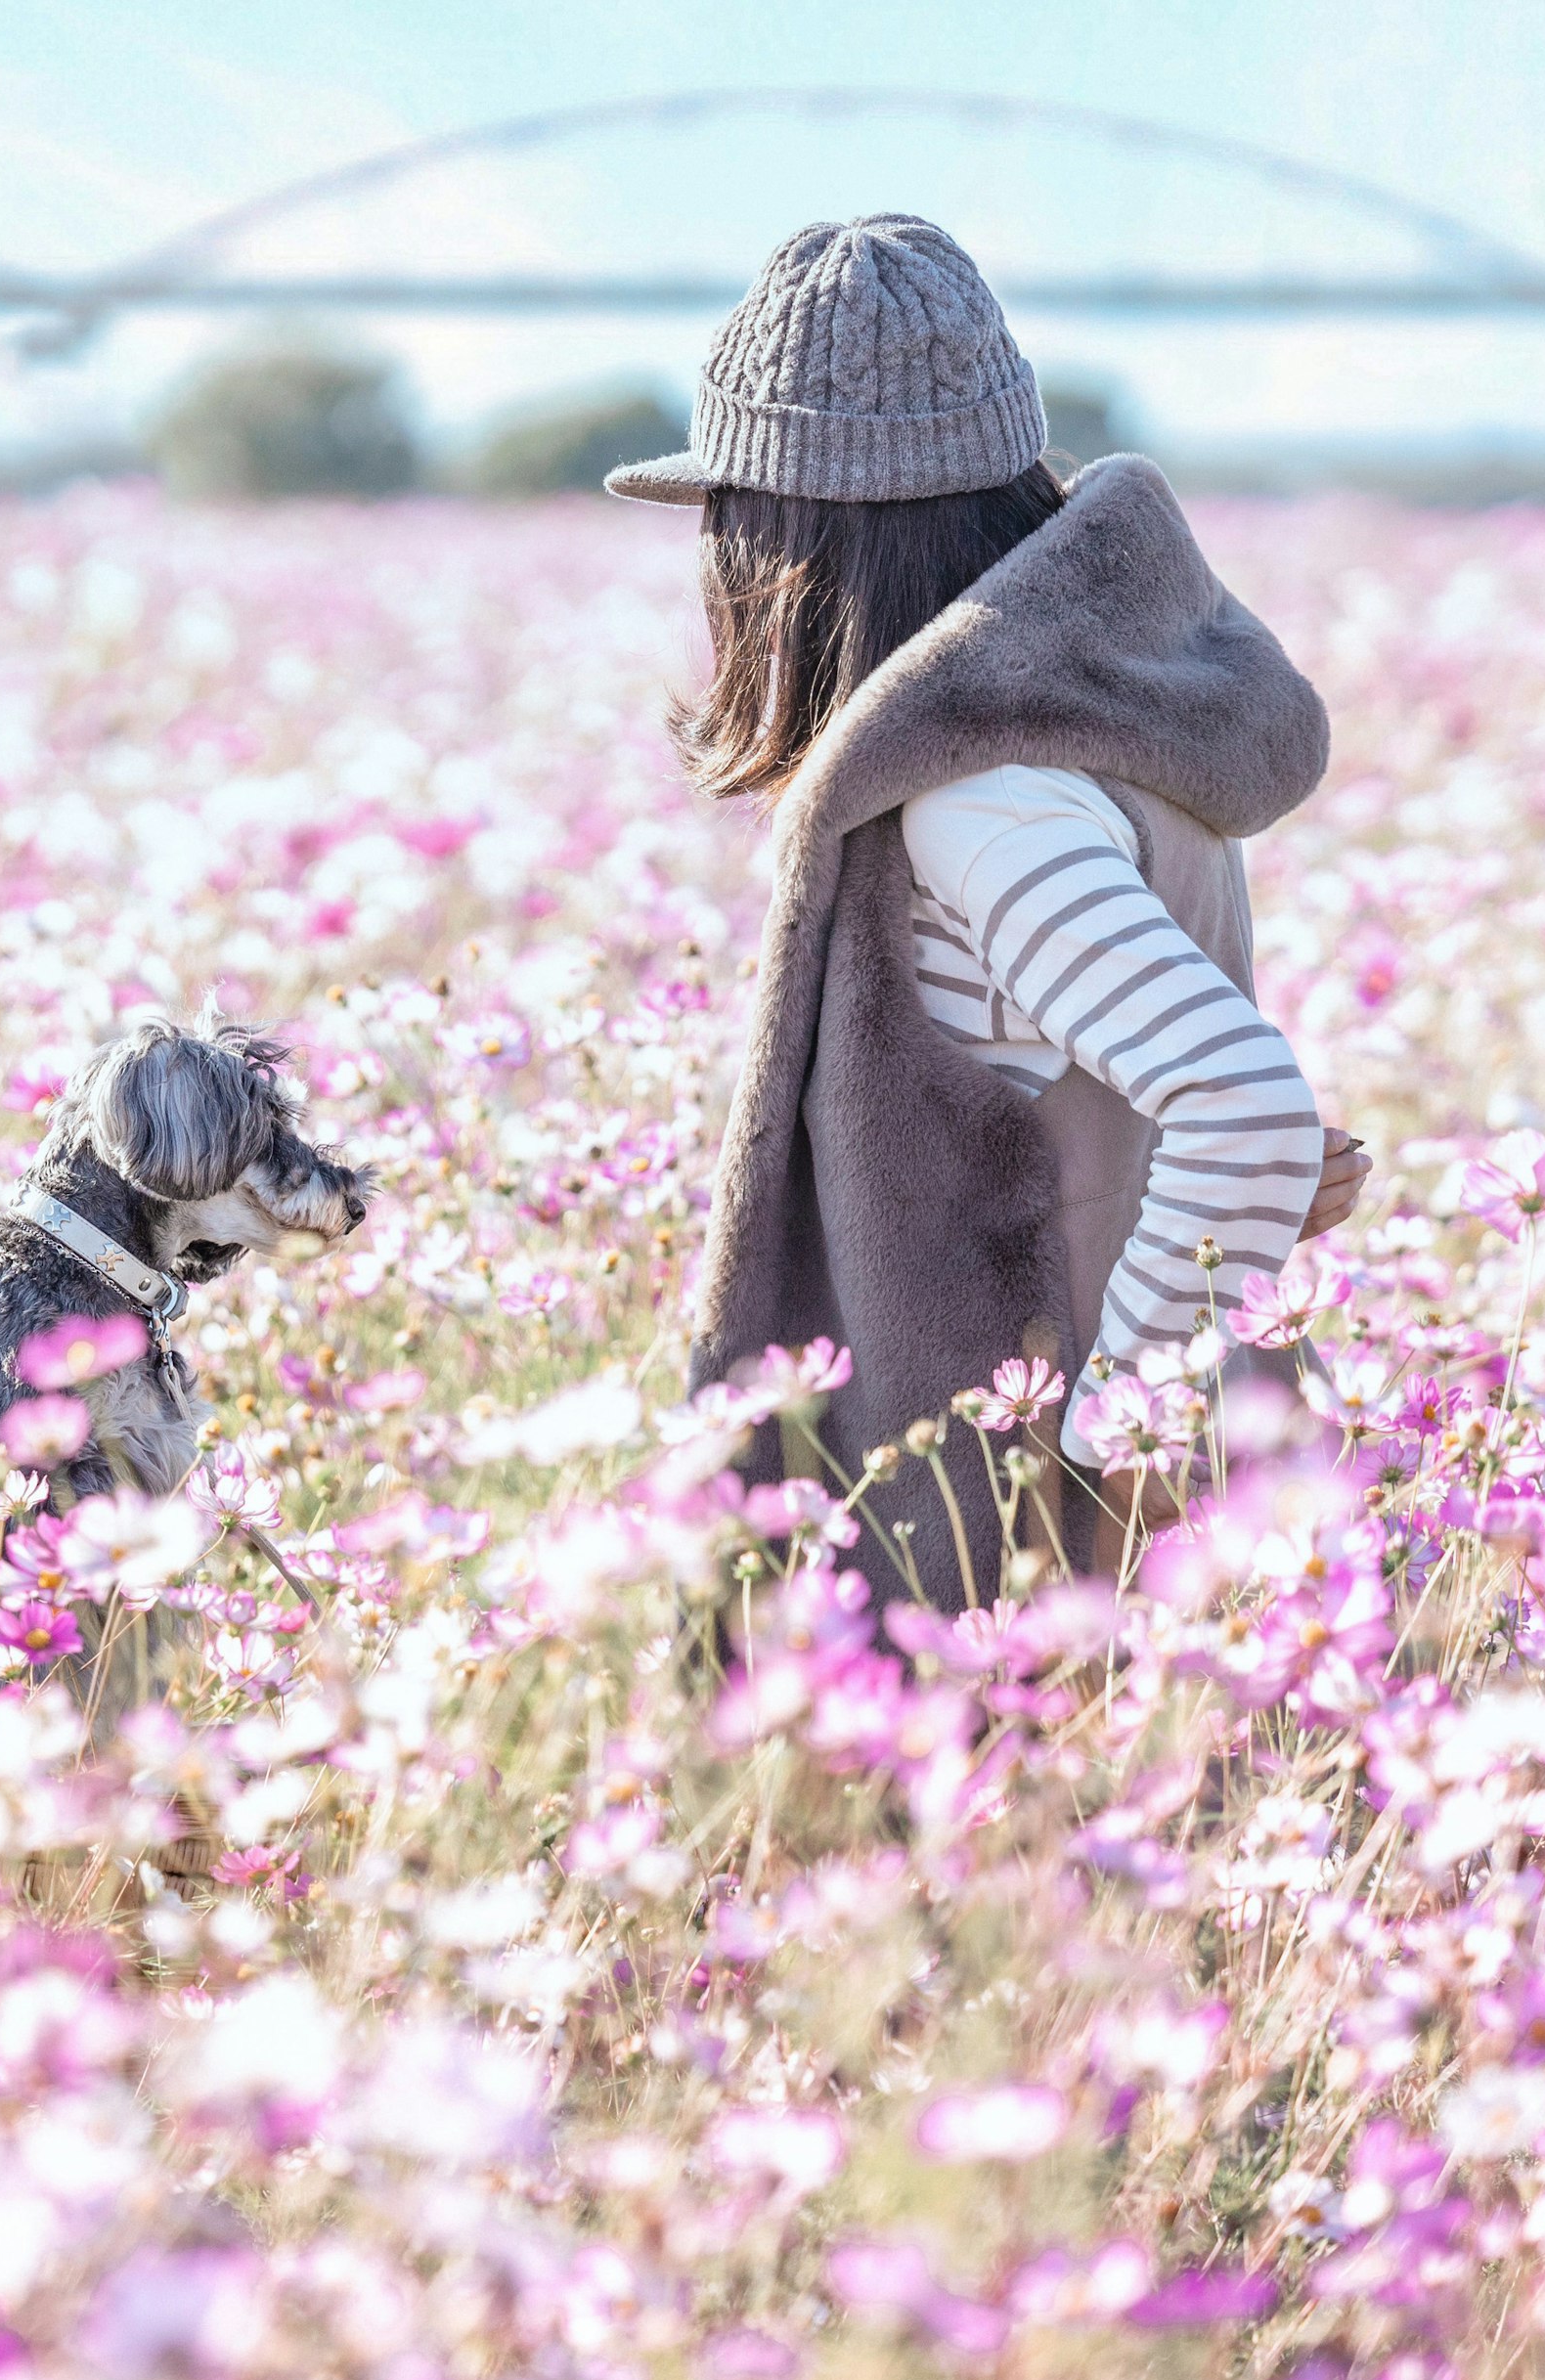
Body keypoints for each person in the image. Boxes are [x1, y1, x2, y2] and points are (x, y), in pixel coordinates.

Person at [607, 215, 1370, 1594]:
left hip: (1060, 1540)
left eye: (730, 522)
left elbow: (1240, 1104)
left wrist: (1119, 1460)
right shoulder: (1087, 729)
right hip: (1151, 1490)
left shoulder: (984, 797)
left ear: (789, 551)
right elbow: (1142, 1094)